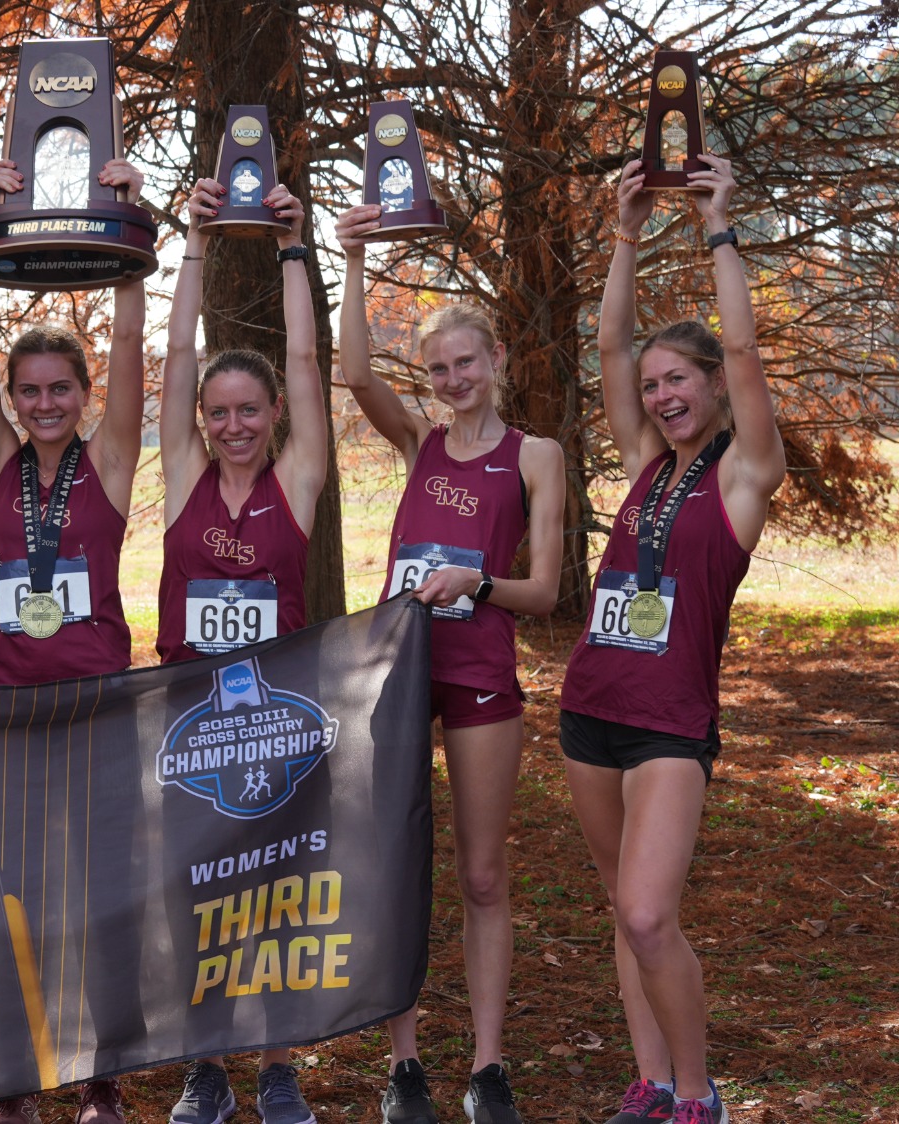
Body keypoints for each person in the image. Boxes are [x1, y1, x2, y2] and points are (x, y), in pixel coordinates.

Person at [562, 155, 783, 1124]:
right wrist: (621, 226)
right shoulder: (646, 465)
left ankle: (698, 1096)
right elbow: (608, 350)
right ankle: (648, 1082)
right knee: (622, 910)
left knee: (650, 913)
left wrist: (715, 226)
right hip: (588, 707)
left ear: (709, 385)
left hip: (667, 722)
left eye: (675, 379)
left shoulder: (743, 475)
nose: (656, 395)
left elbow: (743, 351)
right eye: (651, 386)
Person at [335, 205, 564, 1124]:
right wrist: (352, 257)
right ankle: (405, 1066)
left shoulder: (534, 456)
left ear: (498, 361)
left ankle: (489, 1066)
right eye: (437, 368)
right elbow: (353, 372)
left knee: (480, 874)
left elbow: (545, 591)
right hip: (400, 672)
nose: (453, 379)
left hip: (481, 674)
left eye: (467, 362)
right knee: (395, 863)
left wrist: (481, 581)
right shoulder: (418, 442)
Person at [0, 156, 147, 1124]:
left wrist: (124, 220)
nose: (42, 403)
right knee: (14, 899)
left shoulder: (108, 459)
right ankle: (11, 1079)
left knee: (98, 896)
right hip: (4, 708)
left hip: (96, 707)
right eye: (27, 389)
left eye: (57, 388)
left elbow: (128, 330)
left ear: (81, 392)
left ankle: (99, 1077)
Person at [156, 177, 327, 1124]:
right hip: (188, 715)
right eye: (218, 412)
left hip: (277, 717)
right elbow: (174, 352)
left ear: (272, 418)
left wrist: (296, 251)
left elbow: (305, 357)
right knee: (196, 894)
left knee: (270, 894)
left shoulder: (298, 479)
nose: (231, 425)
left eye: (248, 411)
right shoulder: (183, 474)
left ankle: (276, 1066)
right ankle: (206, 1067)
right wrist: (192, 240)